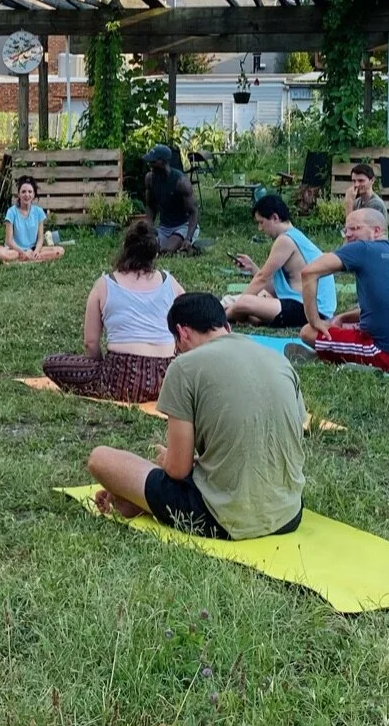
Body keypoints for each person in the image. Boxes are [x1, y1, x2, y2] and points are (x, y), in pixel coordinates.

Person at [85, 292, 306, 540]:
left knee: (100, 458)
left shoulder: (184, 366)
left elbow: (178, 471)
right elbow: (288, 435)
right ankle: (137, 499)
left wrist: (167, 461)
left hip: (222, 519)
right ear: (226, 326)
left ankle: (136, 499)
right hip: (289, 514)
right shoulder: (279, 361)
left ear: (182, 333)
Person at [41, 217, 180, 403]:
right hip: (166, 380)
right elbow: (191, 325)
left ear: (125, 249)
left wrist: (97, 366)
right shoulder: (170, 283)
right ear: (155, 254)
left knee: (52, 363)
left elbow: (90, 343)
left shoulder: (105, 284)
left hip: (121, 379)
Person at [287, 205, 389, 370]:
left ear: (376, 231)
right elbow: (386, 306)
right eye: (345, 230)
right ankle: (329, 355)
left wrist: (315, 321)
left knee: (308, 332)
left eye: (354, 229)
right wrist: (343, 317)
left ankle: (332, 358)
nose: (348, 234)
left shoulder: (362, 248)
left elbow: (309, 272)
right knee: (344, 327)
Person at [222, 193, 336, 328]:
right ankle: (246, 316)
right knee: (242, 299)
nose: (260, 228)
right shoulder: (294, 236)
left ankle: (221, 317)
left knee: (244, 302)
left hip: (311, 310)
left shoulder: (285, 240)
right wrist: (252, 268)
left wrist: (238, 305)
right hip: (306, 305)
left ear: (275, 218)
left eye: (261, 222)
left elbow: (262, 278)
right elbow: (276, 288)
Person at [0, 176, 65, 263]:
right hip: (15, 250)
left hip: (32, 249)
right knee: (0, 253)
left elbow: (40, 238)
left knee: (60, 250)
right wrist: (22, 252)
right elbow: (9, 241)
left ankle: (28, 259)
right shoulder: (11, 212)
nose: (27, 195)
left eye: (30, 192)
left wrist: (36, 251)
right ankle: (34, 259)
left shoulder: (38, 211)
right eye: (23, 192)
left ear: (34, 194)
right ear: (19, 194)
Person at [143, 144, 200, 253]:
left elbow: (194, 211)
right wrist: (149, 228)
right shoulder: (149, 179)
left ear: (164, 162)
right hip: (164, 228)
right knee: (146, 247)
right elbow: (150, 206)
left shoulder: (181, 182)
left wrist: (188, 238)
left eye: (153, 162)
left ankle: (191, 246)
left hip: (183, 226)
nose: (150, 164)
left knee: (166, 250)